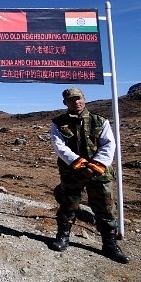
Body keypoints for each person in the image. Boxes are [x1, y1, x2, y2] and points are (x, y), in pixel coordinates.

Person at [49, 88, 129, 263]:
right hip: (72, 173)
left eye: (78, 98)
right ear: (65, 103)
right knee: (68, 205)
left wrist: (94, 166)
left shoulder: (100, 121)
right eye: (71, 100)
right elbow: (59, 147)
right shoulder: (58, 123)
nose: (75, 102)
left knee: (106, 209)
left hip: (99, 173)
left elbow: (109, 145)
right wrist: (80, 164)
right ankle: (63, 236)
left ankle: (110, 244)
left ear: (84, 99)